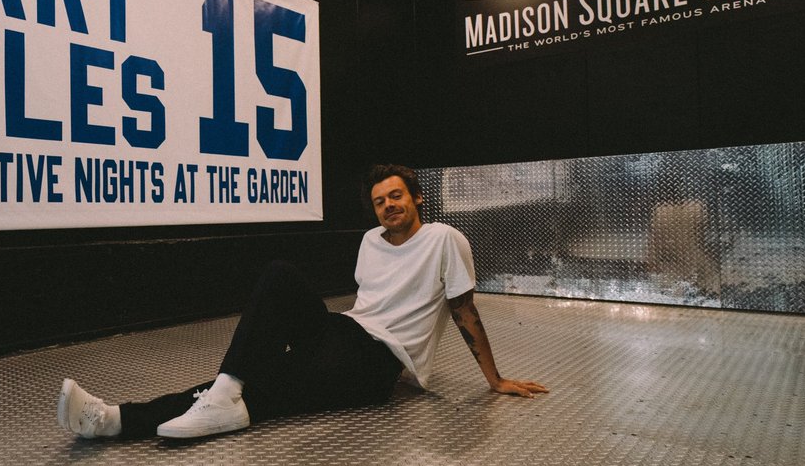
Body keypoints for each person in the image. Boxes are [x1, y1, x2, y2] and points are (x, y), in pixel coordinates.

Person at [57, 163, 548, 440]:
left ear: (417, 198)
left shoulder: (444, 239)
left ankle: (115, 420)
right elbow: (368, 305)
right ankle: (131, 414)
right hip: (342, 334)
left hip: (377, 362)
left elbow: (464, 311)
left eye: (397, 196)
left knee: (258, 387)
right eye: (380, 201)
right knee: (270, 301)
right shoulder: (370, 241)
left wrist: (495, 379)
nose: (389, 206)